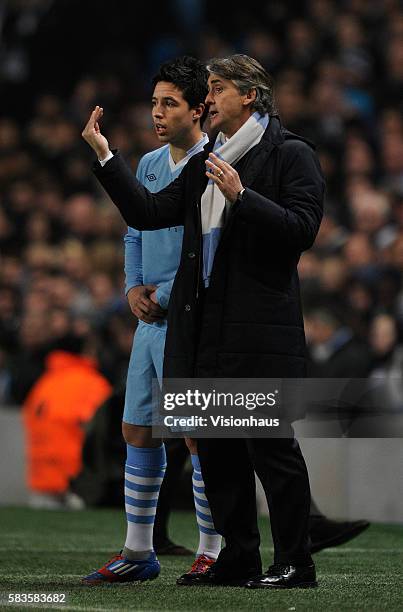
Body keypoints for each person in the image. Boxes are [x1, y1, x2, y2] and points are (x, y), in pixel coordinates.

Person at [81, 56, 222, 586]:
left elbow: (210, 245)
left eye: (170, 103)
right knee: (137, 429)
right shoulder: (147, 163)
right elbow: (134, 230)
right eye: (154, 102)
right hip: (150, 319)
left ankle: (212, 548)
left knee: (197, 435)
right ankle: (139, 551)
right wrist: (132, 288)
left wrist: (163, 292)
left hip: (191, 316)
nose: (158, 113)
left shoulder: (215, 166)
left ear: (199, 110)